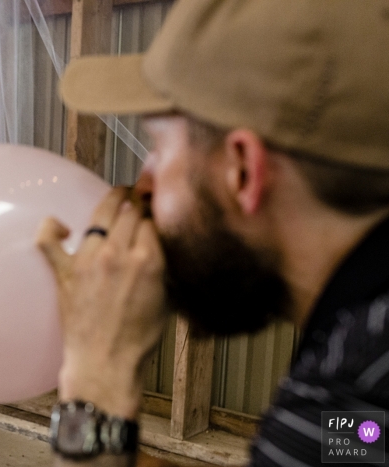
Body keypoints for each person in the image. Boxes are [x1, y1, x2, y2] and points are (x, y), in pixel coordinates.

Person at [38, 1, 389, 466]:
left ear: (242, 170)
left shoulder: (354, 383)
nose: (142, 186)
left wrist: (96, 380)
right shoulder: (365, 382)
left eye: (159, 148)